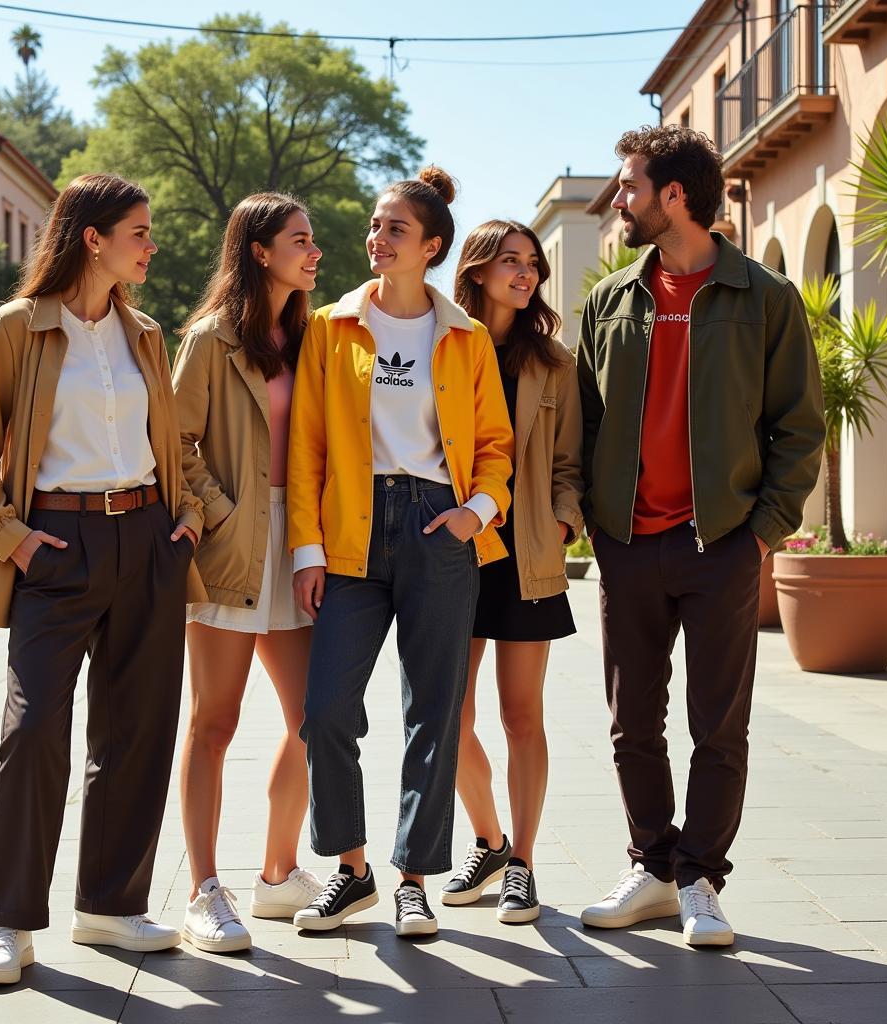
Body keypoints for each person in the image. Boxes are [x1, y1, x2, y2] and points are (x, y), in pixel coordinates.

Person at [0, 174, 205, 986]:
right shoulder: (19, 328)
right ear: (93, 237)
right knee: (31, 733)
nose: (150, 243)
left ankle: (110, 907)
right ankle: (9, 922)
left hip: (150, 540)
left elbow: (174, 438)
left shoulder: (147, 334)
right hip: (57, 543)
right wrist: (14, 541)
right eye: (139, 230)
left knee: (138, 730)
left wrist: (187, 514)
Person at [575, 126, 824, 946]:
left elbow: (798, 425)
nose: (619, 201)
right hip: (628, 543)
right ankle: (650, 866)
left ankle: (701, 880)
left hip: (720, 542)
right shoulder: (612, 300)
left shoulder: (765, 297)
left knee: (719, 725)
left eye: (629, 187)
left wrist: (763, 532)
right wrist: (593, 523)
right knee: (630, 722)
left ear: (672, 196)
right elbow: (584, 421)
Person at [287, 167, 514, 938]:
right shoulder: (330, 328)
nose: (375, 239)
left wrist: (472, 515)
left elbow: (494, 447)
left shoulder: (467, 337)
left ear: (432, 247)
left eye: (395, 230)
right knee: (326, 713)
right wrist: (307, 551)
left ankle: (414, 878)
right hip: (350, 530)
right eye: (376, 226)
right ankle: (351, 872)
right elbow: (307, 446)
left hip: (436, 527)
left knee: (435, 714)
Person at [171, 193, 324, 953]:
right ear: (260, 251)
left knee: (313, 718)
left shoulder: (310, 338)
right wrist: (222, 511)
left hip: (296, 542)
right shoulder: (208, 340)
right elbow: (176, 440)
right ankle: (203, 890)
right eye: (301, 240)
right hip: (232, 543)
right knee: (214, 722)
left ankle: (277, 872)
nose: (315, 251)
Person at [442, 220, 583, 923]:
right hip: (456, 553)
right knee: (448, 715)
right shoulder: (441, 345)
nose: (525, 274)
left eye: (533, 264)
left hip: (526, 556)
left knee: (521, 714)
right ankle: (489, 838)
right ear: (477, 269)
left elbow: (570, 466)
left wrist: (560, 522)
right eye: (510, 261)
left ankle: (522, 862)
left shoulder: (555, 364)